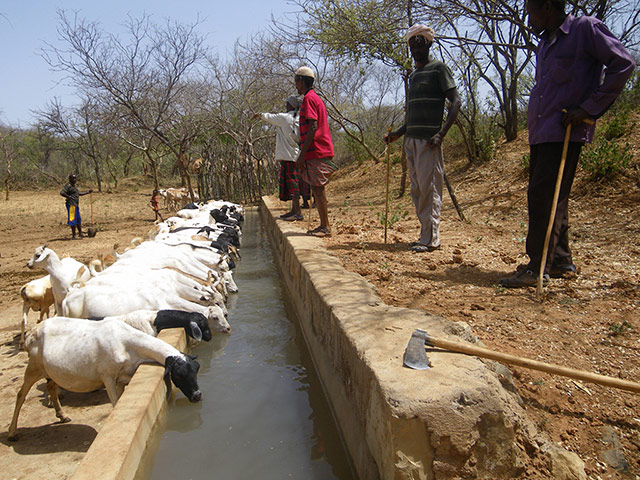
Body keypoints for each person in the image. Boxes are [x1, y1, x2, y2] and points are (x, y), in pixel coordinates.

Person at [499, 0, 635, 288]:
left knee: (542, 197)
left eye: (531, 11)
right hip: (542, 130)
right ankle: (560, 261)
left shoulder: (585, 29)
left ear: (547, 6)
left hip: (563, 130)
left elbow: (623, 63)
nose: (529, 18)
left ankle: (538, 267)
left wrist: (588, 108)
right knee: (551, 196)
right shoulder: (546, 43)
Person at [385, 25, 461, 253]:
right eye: (412, 43)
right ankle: (425, 234)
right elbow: (415, 113)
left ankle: (431, 239)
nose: (416, 46)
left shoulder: (439, 69)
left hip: (429, 140)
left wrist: (441, 134)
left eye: (420, 41)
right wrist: (398, 133)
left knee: (430, 188)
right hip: (412, 140)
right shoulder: (414, 75)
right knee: (417, 189)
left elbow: (455, 102)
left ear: (429, 43)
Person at [294, 66, 337, 237]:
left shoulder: (309, 99)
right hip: (316, 150)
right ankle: (323, 225)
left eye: (296, 81)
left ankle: (325, 227)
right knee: (316, 188)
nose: (295, 85)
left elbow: (312, 126)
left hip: (317, 150)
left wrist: (302, 155)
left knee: (318, 189)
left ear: (302, 81)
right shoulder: (312, 98)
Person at [253, 95, 303, 220]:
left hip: (288, 156)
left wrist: (259, 114)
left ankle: (298, 212)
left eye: (287, 103)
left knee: (293, 184)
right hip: (295, 154)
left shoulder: (285, 118)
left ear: (290, 105)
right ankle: (293, 210)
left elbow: (270, 117)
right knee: (293, 183)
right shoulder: (298, 119)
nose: (286, 105)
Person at [60, 174, 93, 239]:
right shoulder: (68, 186)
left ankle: (80, 233)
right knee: (72, 220)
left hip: (75, 205)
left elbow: (78, 194)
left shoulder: (74, 187)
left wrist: (87, 192)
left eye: (75, 178)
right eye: (73, 178)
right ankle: (74, 235)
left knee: (78, 219)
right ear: (70, 179)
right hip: (71, 205)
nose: (75, 180)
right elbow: (62, 192)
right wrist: (68, 197)